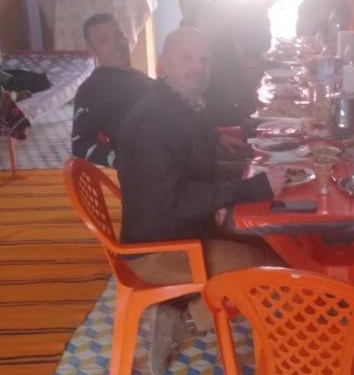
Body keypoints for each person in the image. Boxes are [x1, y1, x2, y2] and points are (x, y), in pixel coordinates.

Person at [116, 28, 286, 373]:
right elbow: (172, 200)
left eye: (204, 59)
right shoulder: (153, 120)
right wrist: (249, 189)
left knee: (275, 240)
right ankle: (186, 320)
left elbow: (189, 143)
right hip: (158, 249)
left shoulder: (181, 102)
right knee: (270, 269)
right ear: (163, 64)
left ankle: (181, 312)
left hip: (184, 228)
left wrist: (215, 140)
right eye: (187, 58)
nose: (198, 67)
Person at [70, 13, 153, 167]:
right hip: (158, 166)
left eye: (118, 35)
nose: (116, 44)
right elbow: (80, 143)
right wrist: (124, 160)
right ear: (91, 49)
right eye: (104, 40)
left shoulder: (137, 77)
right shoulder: (92, 90)